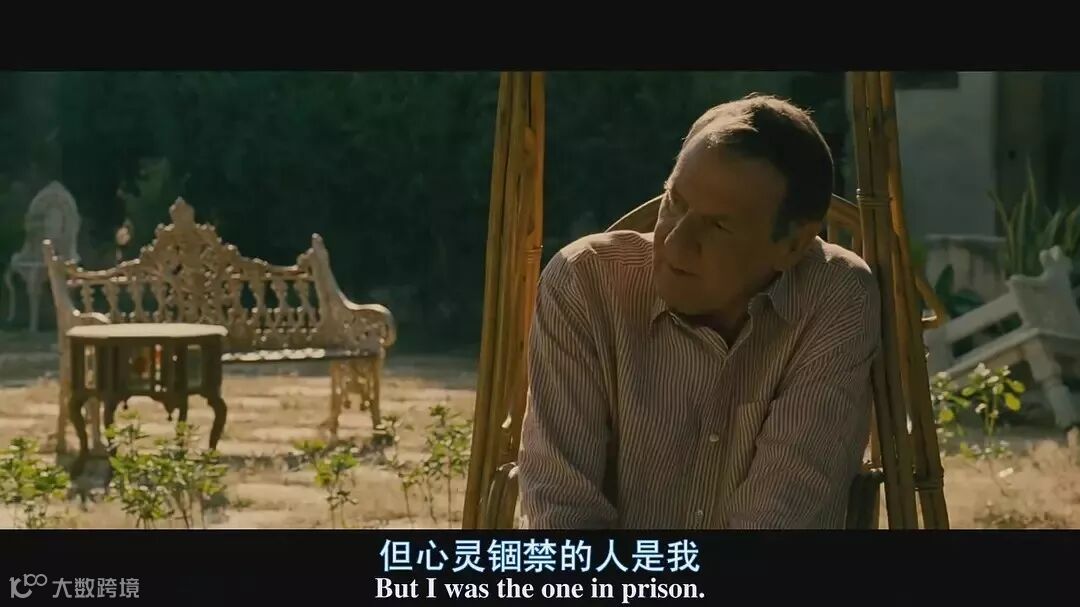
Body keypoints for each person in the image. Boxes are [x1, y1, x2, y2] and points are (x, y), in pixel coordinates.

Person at [518, 94, 881, 529]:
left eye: (719, 225)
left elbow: (782, 515)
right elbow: (561, 512)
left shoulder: (833, 298)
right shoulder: (586, 284)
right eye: (674, 202)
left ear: (792, 244)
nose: (675, 243)